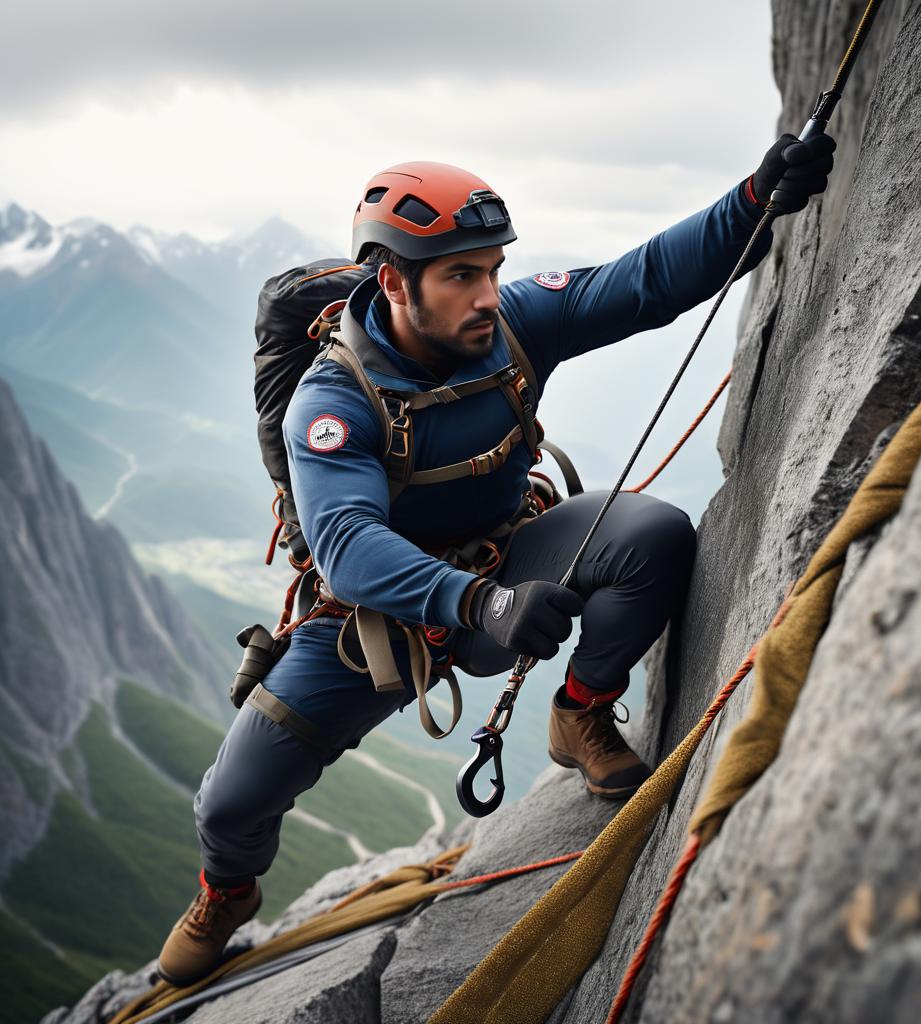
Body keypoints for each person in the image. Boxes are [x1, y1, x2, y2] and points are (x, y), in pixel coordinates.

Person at [157, 133, 836, 984]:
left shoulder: (511, 328)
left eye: (492, 268)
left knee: (648, 534)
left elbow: (643, 281)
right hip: (376, 625)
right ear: (394, 281)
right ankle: (226, 891)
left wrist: (751, 201)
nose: (488, 295)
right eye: (462, 275)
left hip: (508, 562)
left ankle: (581, 709)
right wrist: (480, 606)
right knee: (230, 799)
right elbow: (346, 548)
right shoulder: (331, 401)